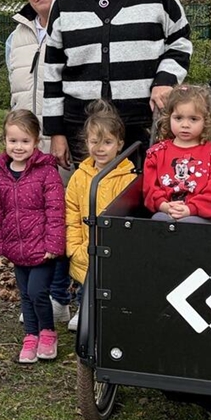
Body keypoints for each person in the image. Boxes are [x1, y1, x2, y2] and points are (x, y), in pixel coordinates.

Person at [42, 0, 193, 169]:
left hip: (142, 124)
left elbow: (180, 39)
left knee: (143, 203)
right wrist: (56, 132)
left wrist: (165, 80)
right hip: (84, 130)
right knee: (91, 203)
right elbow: (53, 71)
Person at [5, 0, 71, 325]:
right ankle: (37, 296)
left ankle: (61, 296)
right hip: (26, 148)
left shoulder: (72, 24)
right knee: (31, 221)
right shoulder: (17, 35)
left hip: (60, 141)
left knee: (58, 221)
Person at [0, 110, 66, 363]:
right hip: (17, 248)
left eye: (24, 141)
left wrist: (53, 244)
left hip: (42, 248)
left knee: (37, 291)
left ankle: (48, 332)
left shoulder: (46, 172)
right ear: (5, 140)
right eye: (13, 141)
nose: (18, 147)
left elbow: (56, 210)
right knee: (25, 293)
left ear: (36, 141)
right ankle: (30, 336)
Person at [64, 100, 136, 328]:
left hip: (115, 252)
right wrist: (74, 247)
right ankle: (82, 310)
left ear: (119, 144)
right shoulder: (80, 176)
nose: (100, 148)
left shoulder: (127, 178)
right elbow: (72, 213)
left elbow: (130, 218)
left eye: (107, 142)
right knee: (87, 285)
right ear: (86, 142)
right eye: (95, 142)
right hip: (85, 248)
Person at [143, 84, 211, 223]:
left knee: (189, 223)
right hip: (166, 210)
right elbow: (150, 188)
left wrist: (190, 209)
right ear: (169, 118)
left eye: (193, 119)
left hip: (200, 216)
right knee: (158, 220)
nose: (185, 125)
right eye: (178, 118)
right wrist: (164, 205)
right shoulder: (157, 152)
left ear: (205, 121)